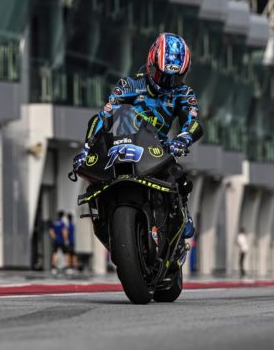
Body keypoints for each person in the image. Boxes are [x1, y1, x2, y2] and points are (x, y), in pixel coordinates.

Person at [73, 33, 203, 239]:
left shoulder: (183, 93)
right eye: (162, 75)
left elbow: (192, 121)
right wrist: (86, 149)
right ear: (151, 64)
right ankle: (105, 214)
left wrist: (183, 139)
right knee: (95, 176)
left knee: (177, 173)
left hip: (158, 149)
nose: (168, 82)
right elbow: (104, 116)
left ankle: (182, 212)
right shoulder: (130, 85)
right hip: (124, 146)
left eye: (175, 77)